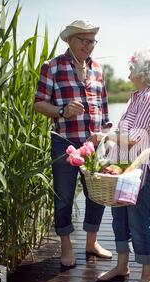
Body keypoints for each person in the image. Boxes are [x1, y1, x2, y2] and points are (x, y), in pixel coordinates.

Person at [34, 20, 113, 268]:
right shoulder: (52, 67)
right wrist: (62, 110)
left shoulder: (98, 69)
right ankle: (66, 248)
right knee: (64, 196)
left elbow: (104, 109)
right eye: (84, 41)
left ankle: (92, 243)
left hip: (95, 144)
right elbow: (38, 103)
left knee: (97, 196)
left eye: (92, 42)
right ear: (70, 40)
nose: (89, 46)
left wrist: (103, 135)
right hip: (64, 143)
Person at [97, 49, 150, 282]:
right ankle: (122, 267)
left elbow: (135, 139)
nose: (128, 73)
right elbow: (124, 134)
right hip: (124, 170)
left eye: (132, 68)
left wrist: (105, 136)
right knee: (120, 220)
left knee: (138, 222)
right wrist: (109, 142)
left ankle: (148, 275)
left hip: (140, 170)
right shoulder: (136, 96)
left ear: (143, 72)